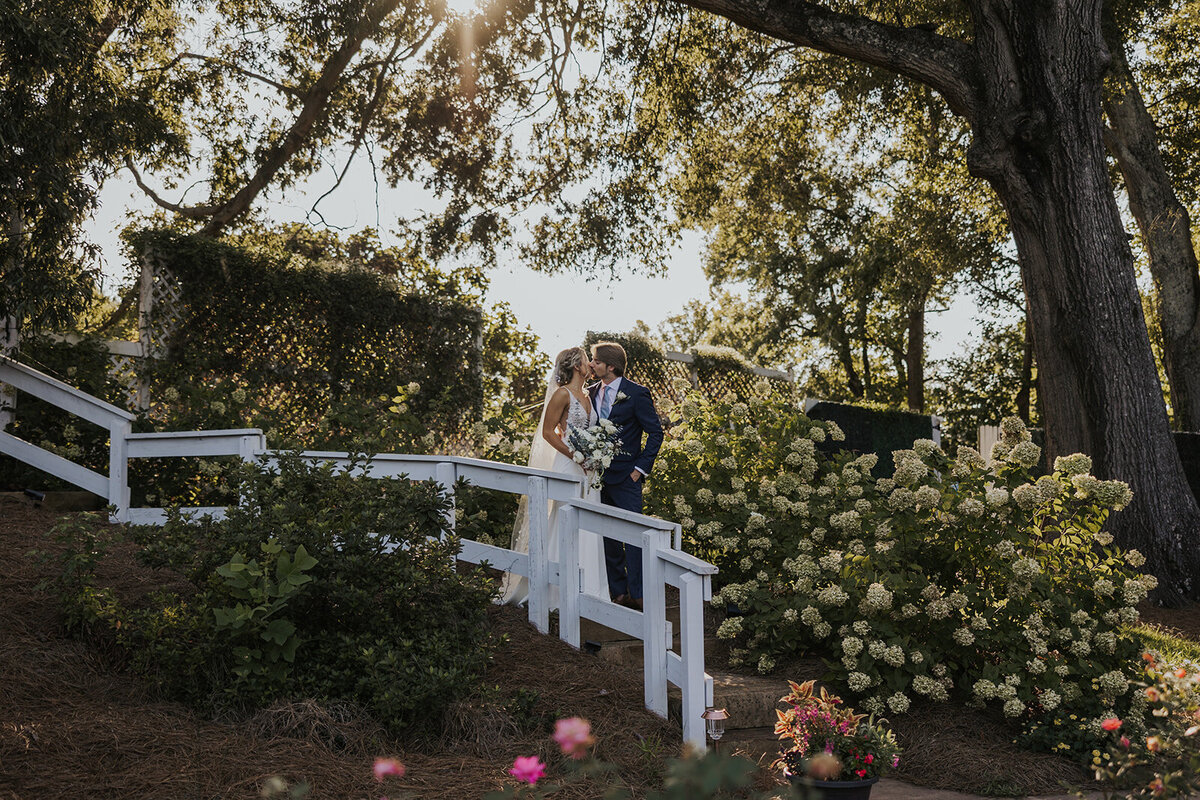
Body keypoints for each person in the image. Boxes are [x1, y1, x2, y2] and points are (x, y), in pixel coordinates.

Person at [501, 346, 606, 605]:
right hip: (568, 465)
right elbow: (549, 432)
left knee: (591, 526)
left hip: (589, 472)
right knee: (564, 523)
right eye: (586, 360)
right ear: (576, 366)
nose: (590, 364)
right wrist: (575, 455)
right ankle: (558, 593)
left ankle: (591, 590)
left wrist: (595, 455)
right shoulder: (562, 395)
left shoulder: (587, 396)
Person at [588, 341, 663, 611]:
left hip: (627, 477)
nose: (591, 364)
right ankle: (618, 592)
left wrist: (639, 470)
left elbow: (656, 433)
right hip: (597, 477)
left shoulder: (637, 393)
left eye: (595, 361)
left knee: (634, 537)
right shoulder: (590, 392)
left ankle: (640, 594)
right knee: (607, 536)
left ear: (611, 366)